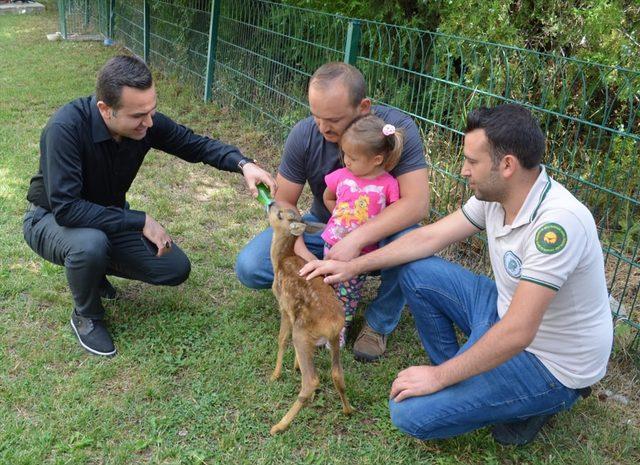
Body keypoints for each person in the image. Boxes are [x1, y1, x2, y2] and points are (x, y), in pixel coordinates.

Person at [300, 104, 613, 445]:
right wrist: (352, 265)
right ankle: (471, 379)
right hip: (502, 310)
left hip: (549, 360)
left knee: (410, 413)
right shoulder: (498, 195)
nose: (463, 170)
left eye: (472, 161)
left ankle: (534, 403)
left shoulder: (556, 225)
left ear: (507, 165)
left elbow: (519, 331)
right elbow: (428, 237)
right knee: (415, 267)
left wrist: (438, 378)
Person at [23, 55, 277, 357]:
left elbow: (194, 144)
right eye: (138, 116)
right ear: (105, 109)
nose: (149, 122)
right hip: (50, 220)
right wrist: (140, 220)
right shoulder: (64, 128)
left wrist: (243, 164)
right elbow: (67, 209)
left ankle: (93, 272)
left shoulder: (144, 123)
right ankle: (87, 315)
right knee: (89, 244)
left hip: (106, 218)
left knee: (173, 268)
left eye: (151, 111)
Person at [235, 62, 429, 362]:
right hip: (323, 229)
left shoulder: (393, 131)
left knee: (414, 243)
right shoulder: (304, 134)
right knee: (250, 266)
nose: (322, 128)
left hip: (380, 234)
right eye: (316, 116)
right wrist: (303, 252)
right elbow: (285, 202)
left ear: (363, 107)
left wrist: (356, 241)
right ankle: (317, 296)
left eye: (333, 120)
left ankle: (378, 324)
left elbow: (416, 204)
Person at [314, 114, 403, 347]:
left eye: (353, 157)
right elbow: (328, 197)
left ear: (376, 160)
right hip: (332, 243)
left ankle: (339, 330)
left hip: (362, 252)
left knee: (349, 293)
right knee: (327, 284)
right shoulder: (341, 176)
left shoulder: (388, 184)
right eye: (345, 154)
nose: (346, 161)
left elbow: (393, 215)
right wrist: (340, 219)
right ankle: (323, 325)